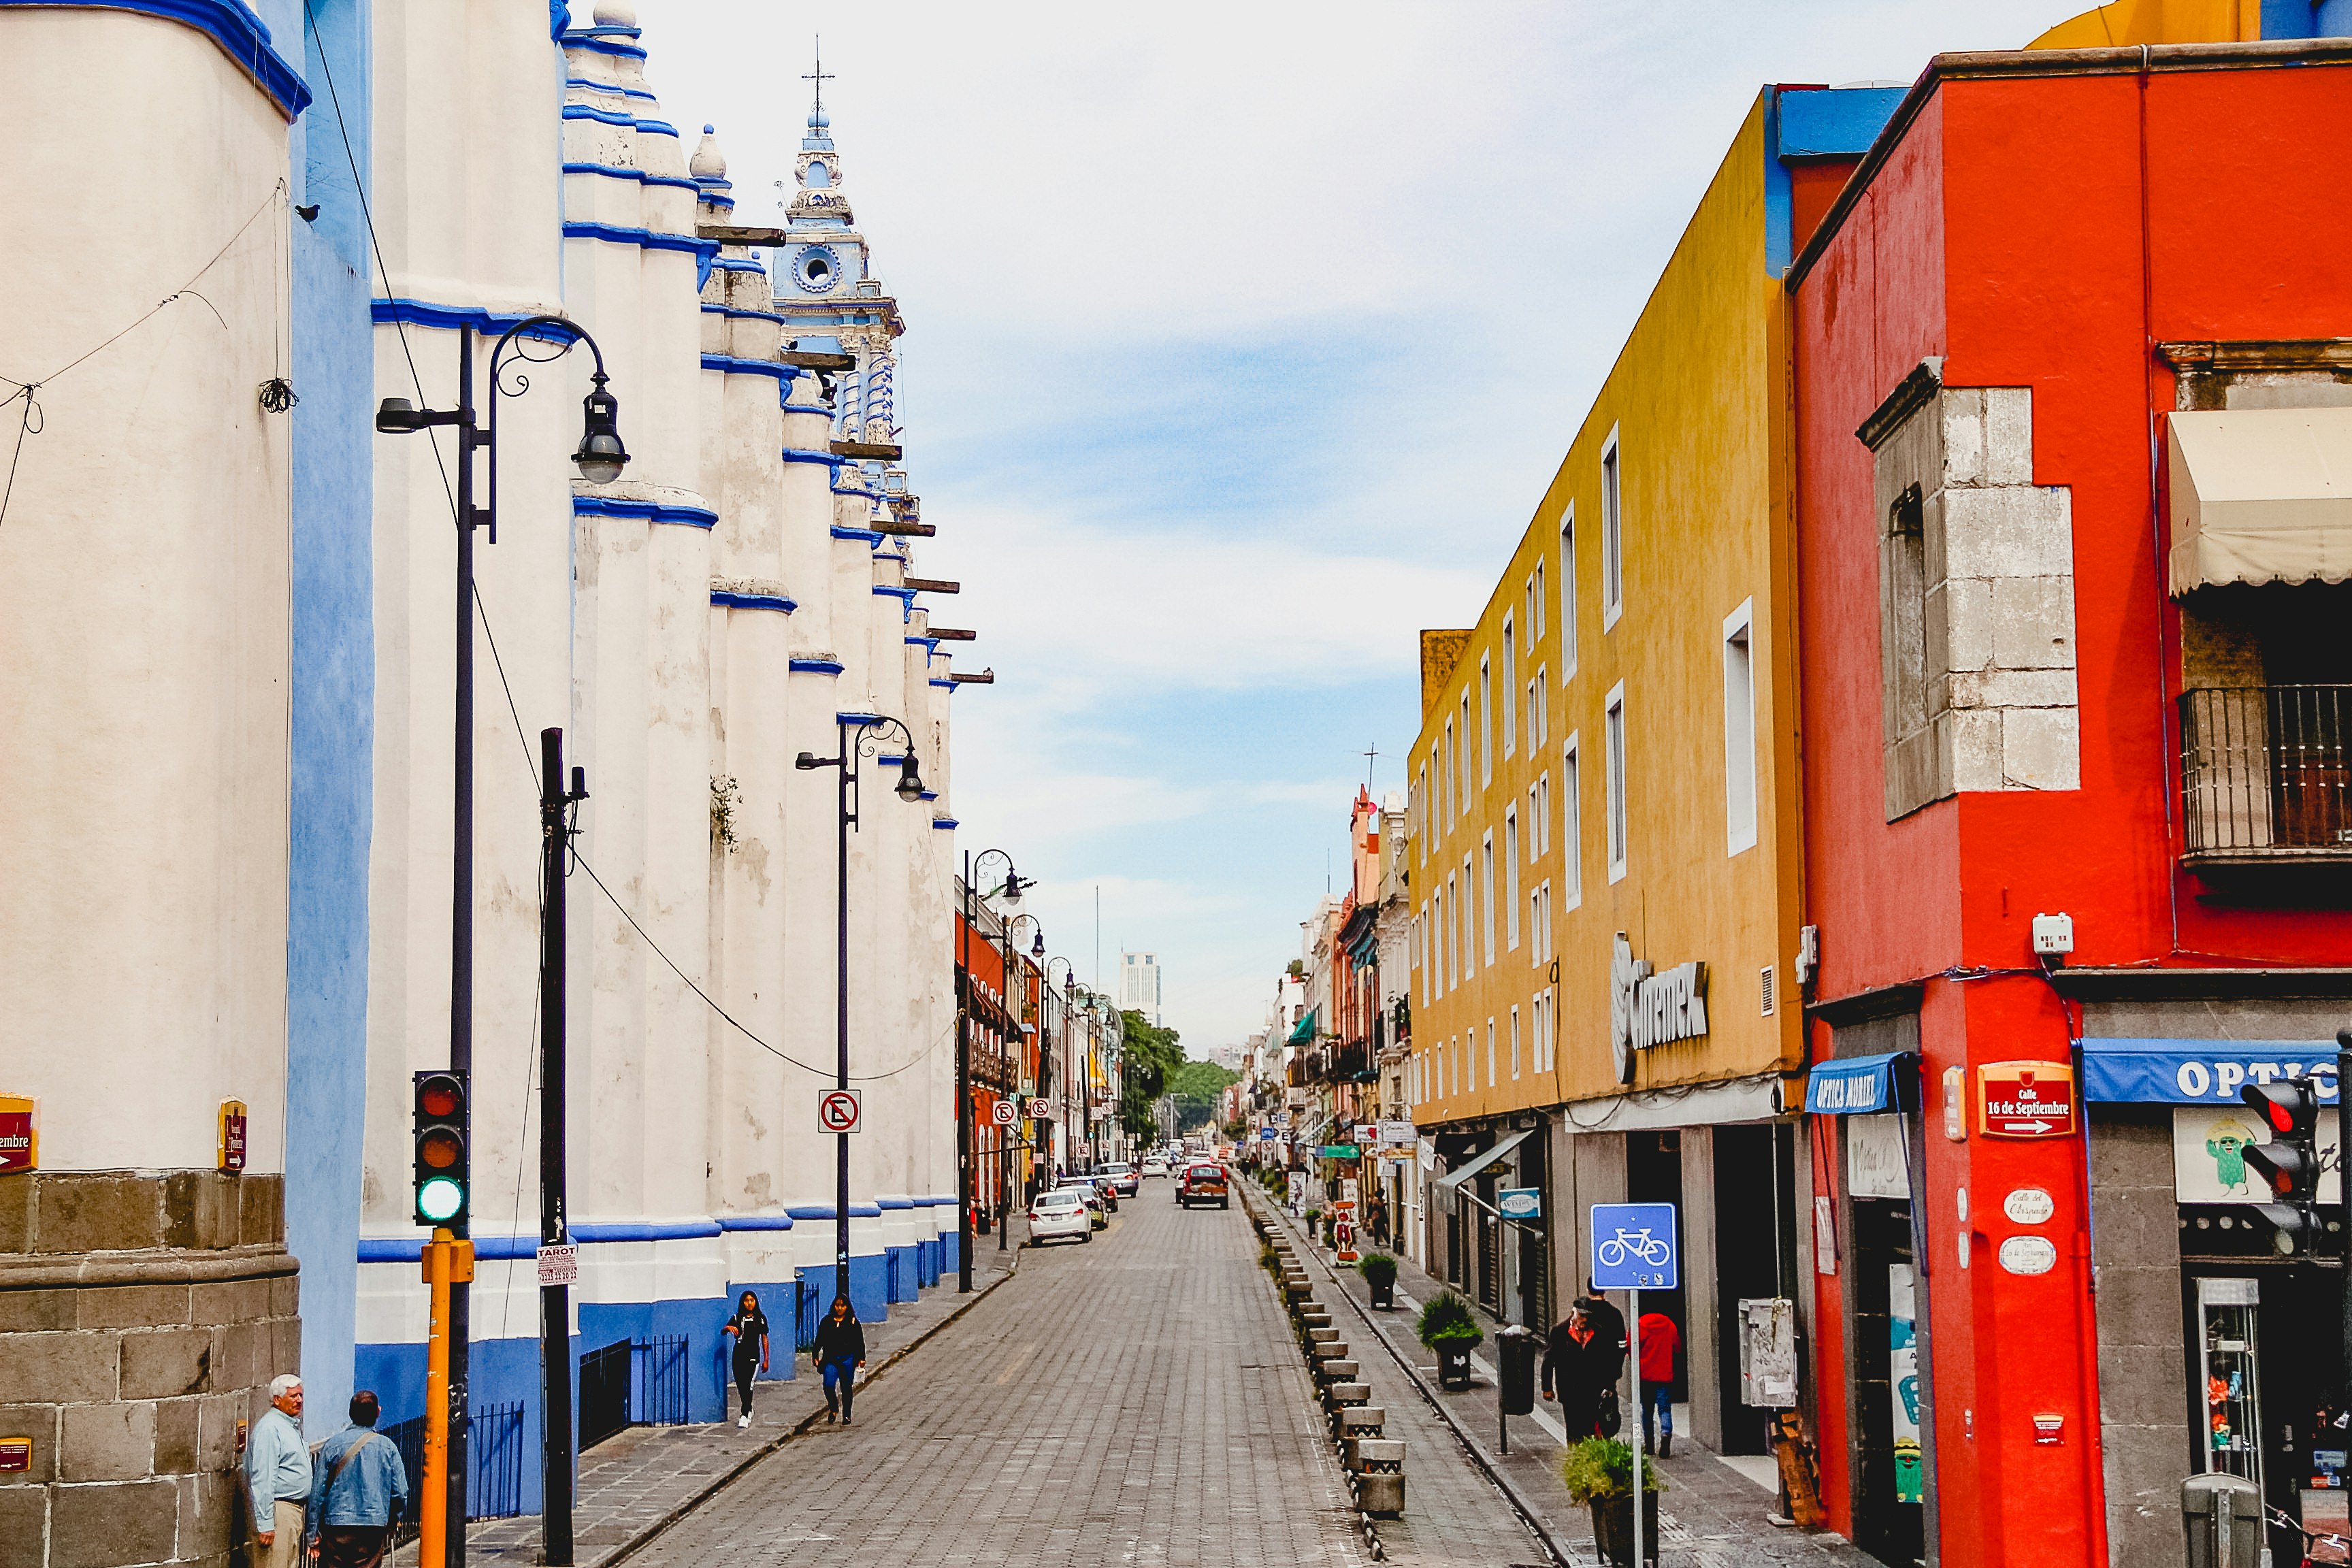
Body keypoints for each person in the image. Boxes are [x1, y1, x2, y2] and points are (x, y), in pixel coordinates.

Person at [304, 1390, 408, 1568]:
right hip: (372, 1526)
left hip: (336, 1524)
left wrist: (312, 1533)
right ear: (377, 1413)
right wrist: (392, 1522)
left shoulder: (332, 1445)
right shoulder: (387, 1447)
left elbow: (317, 1493)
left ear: (351, 1413)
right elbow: (400, 1492)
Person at [244, 1373, 309, 1568]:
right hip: (279, 1511)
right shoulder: (270, 1428)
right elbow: (262, 1478)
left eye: (301, 1395)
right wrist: (266, 1524)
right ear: (277, 1400)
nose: (299, 1400)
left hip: (291, 1511)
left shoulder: (288, 1425)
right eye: (293, 1396)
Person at [1541, 1302, 1620, 1439]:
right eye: (1582, 1316)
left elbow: (1608, 1360)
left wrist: (1609, 1385)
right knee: (1574, 1429)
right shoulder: (1560, 1331)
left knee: (1592, 1428)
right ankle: (1576, 1457)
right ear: (1574, 1314)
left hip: (1594, 1390)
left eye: (1588, 1316)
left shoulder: (1599, 1332)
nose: (1585, 1320)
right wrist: (1547, 1388)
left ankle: (1590, 1457)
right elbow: (1548, 1360)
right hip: (1569, 1390)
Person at [811, 1295, 868, 1425]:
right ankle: (834, 1408)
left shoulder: (853, 1322)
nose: (840, 1308)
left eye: (843, 1306)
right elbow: (819, 1339)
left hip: (848, 1359)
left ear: (847, 1307)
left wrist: (861, 1358)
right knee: (828, 1385)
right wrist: (815, 1355)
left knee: (846, 1387)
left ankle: (847, 1415)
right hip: (831, 1359)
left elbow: (859, 1342)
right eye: (837, 1305)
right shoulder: (827, 1322)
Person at [721, 1290, 770, 1429]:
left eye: (752, 1300)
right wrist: (728, 1327)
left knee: (749, 1386)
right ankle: (748, 1408)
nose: (749, 1303)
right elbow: (724, 1331)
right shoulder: (737, 1318)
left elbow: (765, 1338)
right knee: (741, 1386)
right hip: (738, 1356)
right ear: (743, 1302)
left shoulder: (760, 1319)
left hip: (753, 1357)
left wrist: (766, 1359)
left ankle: (744, 1414)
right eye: (747, 1300)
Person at [1637, 1307, 1681, 1456]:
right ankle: (1666, 1433)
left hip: (1646, 1375)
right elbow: (1677, 1346)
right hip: (1664, 1374)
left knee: (1647, 1410)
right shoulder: (1669, 1324)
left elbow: (1631, 1346)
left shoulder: (1641, 1324)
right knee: (1664, 1408)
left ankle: (1649, 1444)